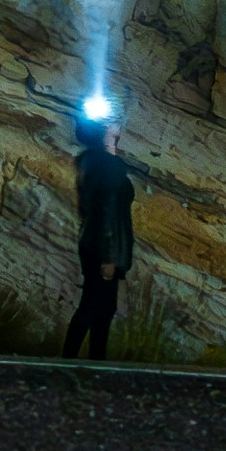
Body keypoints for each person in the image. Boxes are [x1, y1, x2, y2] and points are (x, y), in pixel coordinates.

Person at [61, 97, 137, 361]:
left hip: (92, 241)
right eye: (109, 125)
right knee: (95, 306)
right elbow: (107, 209)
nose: (115, 126)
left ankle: (92, 363)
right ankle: (75, 361)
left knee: (102, 307)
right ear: (103, 133)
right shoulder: (108, 166)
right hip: (104, 244)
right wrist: (109, 256)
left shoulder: (91, 162)